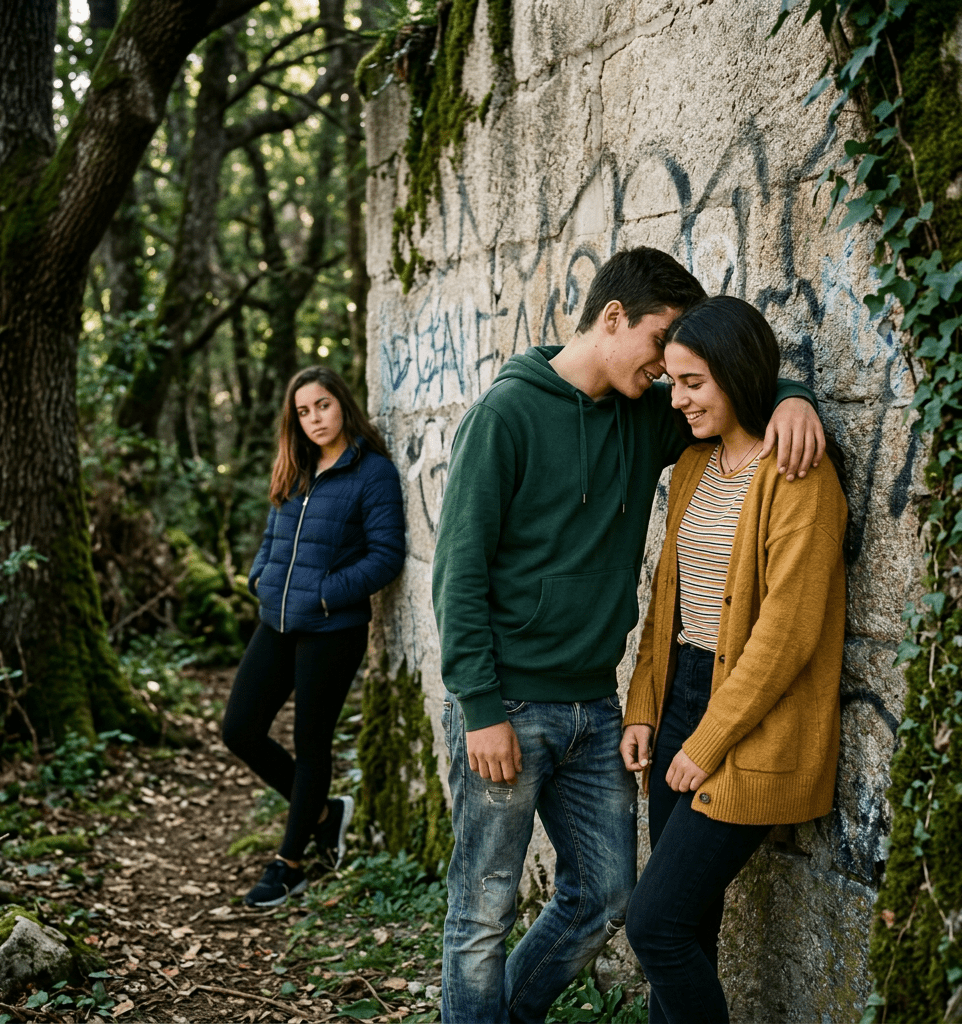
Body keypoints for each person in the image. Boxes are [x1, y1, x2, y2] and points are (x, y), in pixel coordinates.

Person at [432, 247, 827, 1024]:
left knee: (610, 896)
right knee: (481, 914)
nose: (669, 373)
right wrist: (480, 707)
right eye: (661, 346)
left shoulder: (648, 412)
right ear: (614, 318)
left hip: (594, 709)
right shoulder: (504, 416)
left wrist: (795, 397)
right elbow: (458, 574)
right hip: (507, 704)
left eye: (681, 366)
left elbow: (732, 383)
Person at [620, 295, 847, 1024]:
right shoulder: (692, 467)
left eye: (692, 382)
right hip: (683, 696)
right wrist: (646, 708)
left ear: (737, 372)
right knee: (688, 931)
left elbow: (787, 634)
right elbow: (668, 603)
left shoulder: (798, 474)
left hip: (750, 721)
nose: (676, 399)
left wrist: (709, 739)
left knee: (654, 925)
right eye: (673, 382)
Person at [224, 366, 405, 907]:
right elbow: (269, 535)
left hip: (332, 629)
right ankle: (326, 812)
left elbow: (386, 557)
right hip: (277, 621)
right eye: (303, 412)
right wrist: (261, 577)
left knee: (310, 744)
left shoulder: (371, 473)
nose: (314, 419)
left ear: (341, 405)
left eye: (322, 406)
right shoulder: (295, 468)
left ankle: (291, 863)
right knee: (240, 730)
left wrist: (325, 594)